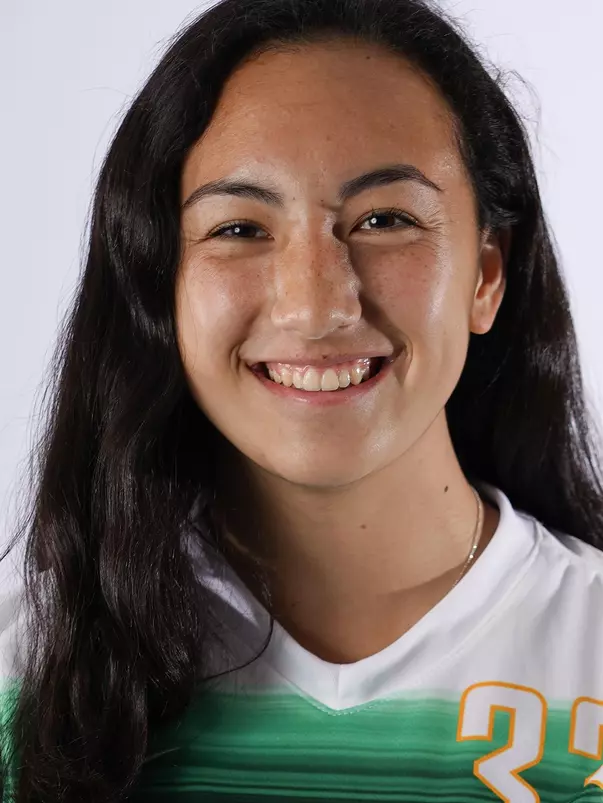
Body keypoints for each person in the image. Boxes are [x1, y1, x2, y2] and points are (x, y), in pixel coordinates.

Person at [2, 0, 603, 800]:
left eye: (384, 219)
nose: (316, 307)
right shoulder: (22, 662)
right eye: (239, 229)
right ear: (159, 280)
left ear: (486, 275)